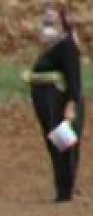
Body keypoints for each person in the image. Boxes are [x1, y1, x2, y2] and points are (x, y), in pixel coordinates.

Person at [27, 4, 83, 202]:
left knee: (63, 143)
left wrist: (71, 104)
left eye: (51, 23)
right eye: (45, 22)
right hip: (48, 101)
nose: (47, 27)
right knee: (56, 142)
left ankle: (65, 189)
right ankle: (62, 187)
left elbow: (74, 79)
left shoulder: (66, 46)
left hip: (59, 102)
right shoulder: (53, 47)